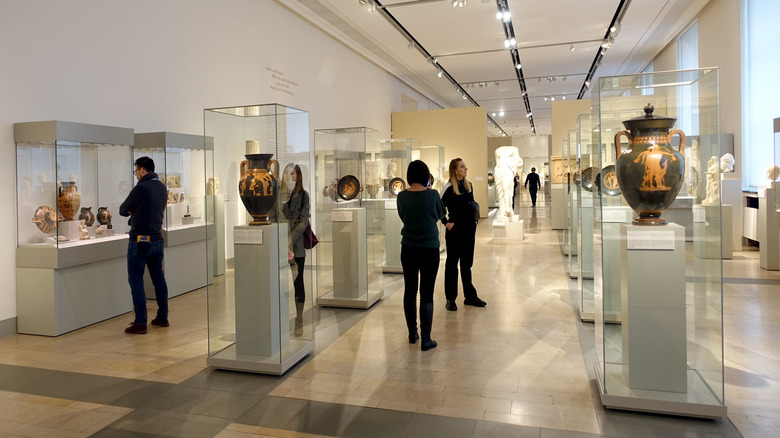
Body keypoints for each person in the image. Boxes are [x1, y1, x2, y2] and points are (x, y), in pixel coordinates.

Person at [397, 160, 446, 351]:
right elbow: (440, 213)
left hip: (408, 247)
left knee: (410, 291)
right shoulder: (432, 194)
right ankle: (426, 339)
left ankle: (412, 333)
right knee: (427, 294)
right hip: (429, 248)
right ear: (426, 175)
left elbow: (403, 217)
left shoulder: (401, 196)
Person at [120, 156, 169, 334]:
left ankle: (140, 322)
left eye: (136, 171)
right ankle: (162, 316)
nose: (136, 175)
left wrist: (134, 211)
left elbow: (122, 209)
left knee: (136, 280)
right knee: (158, 279)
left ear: (141, 169)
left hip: (140, 240)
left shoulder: (141, 188)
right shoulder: (162, 187)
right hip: (157, 238)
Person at [440, 158, 487, 311]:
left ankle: (470, 296)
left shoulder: (469, 185)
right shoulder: (448, 188)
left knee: (467, 265)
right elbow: (438, 208)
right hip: (455, 232)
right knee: (452, 265)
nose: (466, 168)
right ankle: (451, 299)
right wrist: (446, 222)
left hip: (468, 230)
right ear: (455, 170)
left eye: (465, 166)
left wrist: (474, 221)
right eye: (462, 166)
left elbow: (471, 204)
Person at [281, 164, 310, 336]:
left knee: (298, 281)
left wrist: (290, 240)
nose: (289, 176)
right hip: (280, 243)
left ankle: (299, 318)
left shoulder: (303, 196)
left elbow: (303, 221)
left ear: (298, 176)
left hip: (296, 246)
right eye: (286, 173)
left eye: (292, 173)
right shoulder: (279, 196)